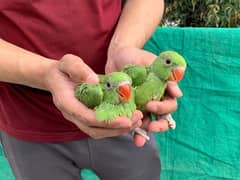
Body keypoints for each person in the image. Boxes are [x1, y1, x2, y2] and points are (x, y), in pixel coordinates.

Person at [0, 1, 182, 180]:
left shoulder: (137, 85)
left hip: (128, 120)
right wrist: (45, 74)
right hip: (26, 119)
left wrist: (123, 47)